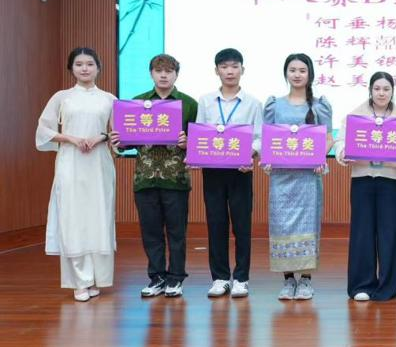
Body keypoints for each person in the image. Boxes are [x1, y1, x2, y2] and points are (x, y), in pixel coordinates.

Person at [110, 53, 197, 298]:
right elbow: (125, 144)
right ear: (151, 74)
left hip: (176, 178)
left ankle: (176, 278)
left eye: (169, 71)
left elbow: (201, 144)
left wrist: (187, 142)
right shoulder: (136, 103)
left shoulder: (189, 104)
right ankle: (157, 277)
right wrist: (119, 141)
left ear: (176, 74)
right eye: (159, 71)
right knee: (150, 231)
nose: (164, 75)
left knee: (176, 231)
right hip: (145, 178)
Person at [36, 47, 117, 302]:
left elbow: (117, 135)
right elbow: (44, 130)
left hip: (99, 162)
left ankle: (95, 280)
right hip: (70, 162)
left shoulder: (109, 99)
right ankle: (79, 282)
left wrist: (100, 137)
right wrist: (71, 138)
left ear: (98, 68)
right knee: (73, 216)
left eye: (90, 64)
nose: (84, 68)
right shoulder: (62, 97)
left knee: (98, 216)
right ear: (71, 68)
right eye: (79, 64)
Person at [335, 72, 396, 301]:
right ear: (370, 91)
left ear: (392, 92)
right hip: (362, 178)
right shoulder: (355, 116)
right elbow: (341, 141)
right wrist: (344, 151)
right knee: (362, 231)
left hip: (390, 180)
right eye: (377, 89)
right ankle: (362, 285)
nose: (382, 93)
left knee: (389, 232)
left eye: (386, 89)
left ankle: (387, 286)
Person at [262, 54, 333, 301]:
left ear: (309, 74)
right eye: (292, 70)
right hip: (281, 178)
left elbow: (328, 138)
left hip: (307, 179)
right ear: (286, 73)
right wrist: (267, 159)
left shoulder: (320, 105)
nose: (297, 74)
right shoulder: (274, 105)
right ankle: (288, 280)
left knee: (308, 225)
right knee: (282, 225)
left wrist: (320, 158)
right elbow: (267, 138)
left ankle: (306, 281)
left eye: (302, 70)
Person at [194, 48, 263, 299]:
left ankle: (242, 278)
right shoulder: (206, 101)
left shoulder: (253, 103)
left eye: (235, 66)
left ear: (242, 70)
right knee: (216, 223)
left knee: (242, 225)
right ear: (217, 71)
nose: (230, 71)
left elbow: (259, 138)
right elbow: (201, 134)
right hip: (212, 171)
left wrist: (250, 155)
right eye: (224, 67)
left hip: (240, 171)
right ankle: (220, 277)